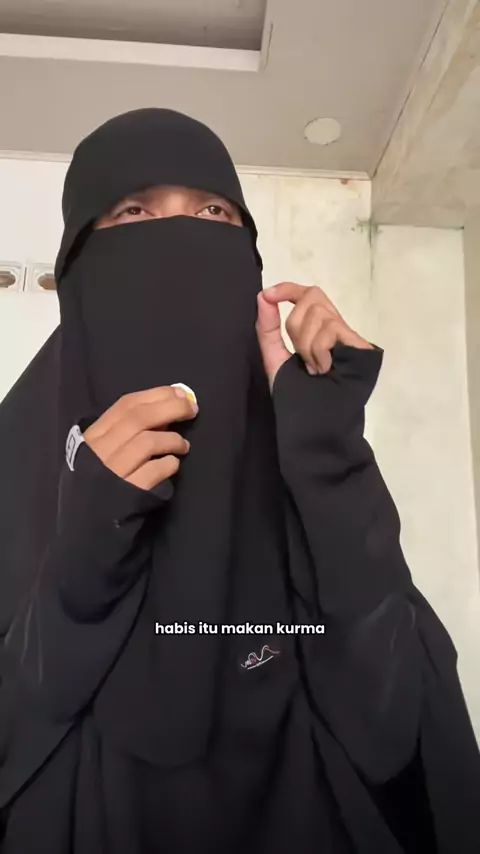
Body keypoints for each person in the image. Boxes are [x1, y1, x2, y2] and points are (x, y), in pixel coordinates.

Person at [0, 108, 479, 854]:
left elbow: (391, 726)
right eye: (134, 212)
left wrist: (328, 450)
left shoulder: (302, 438)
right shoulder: (19, 454)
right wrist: (85, 544)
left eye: (212, 212)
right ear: (80, 269)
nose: (179, 237)